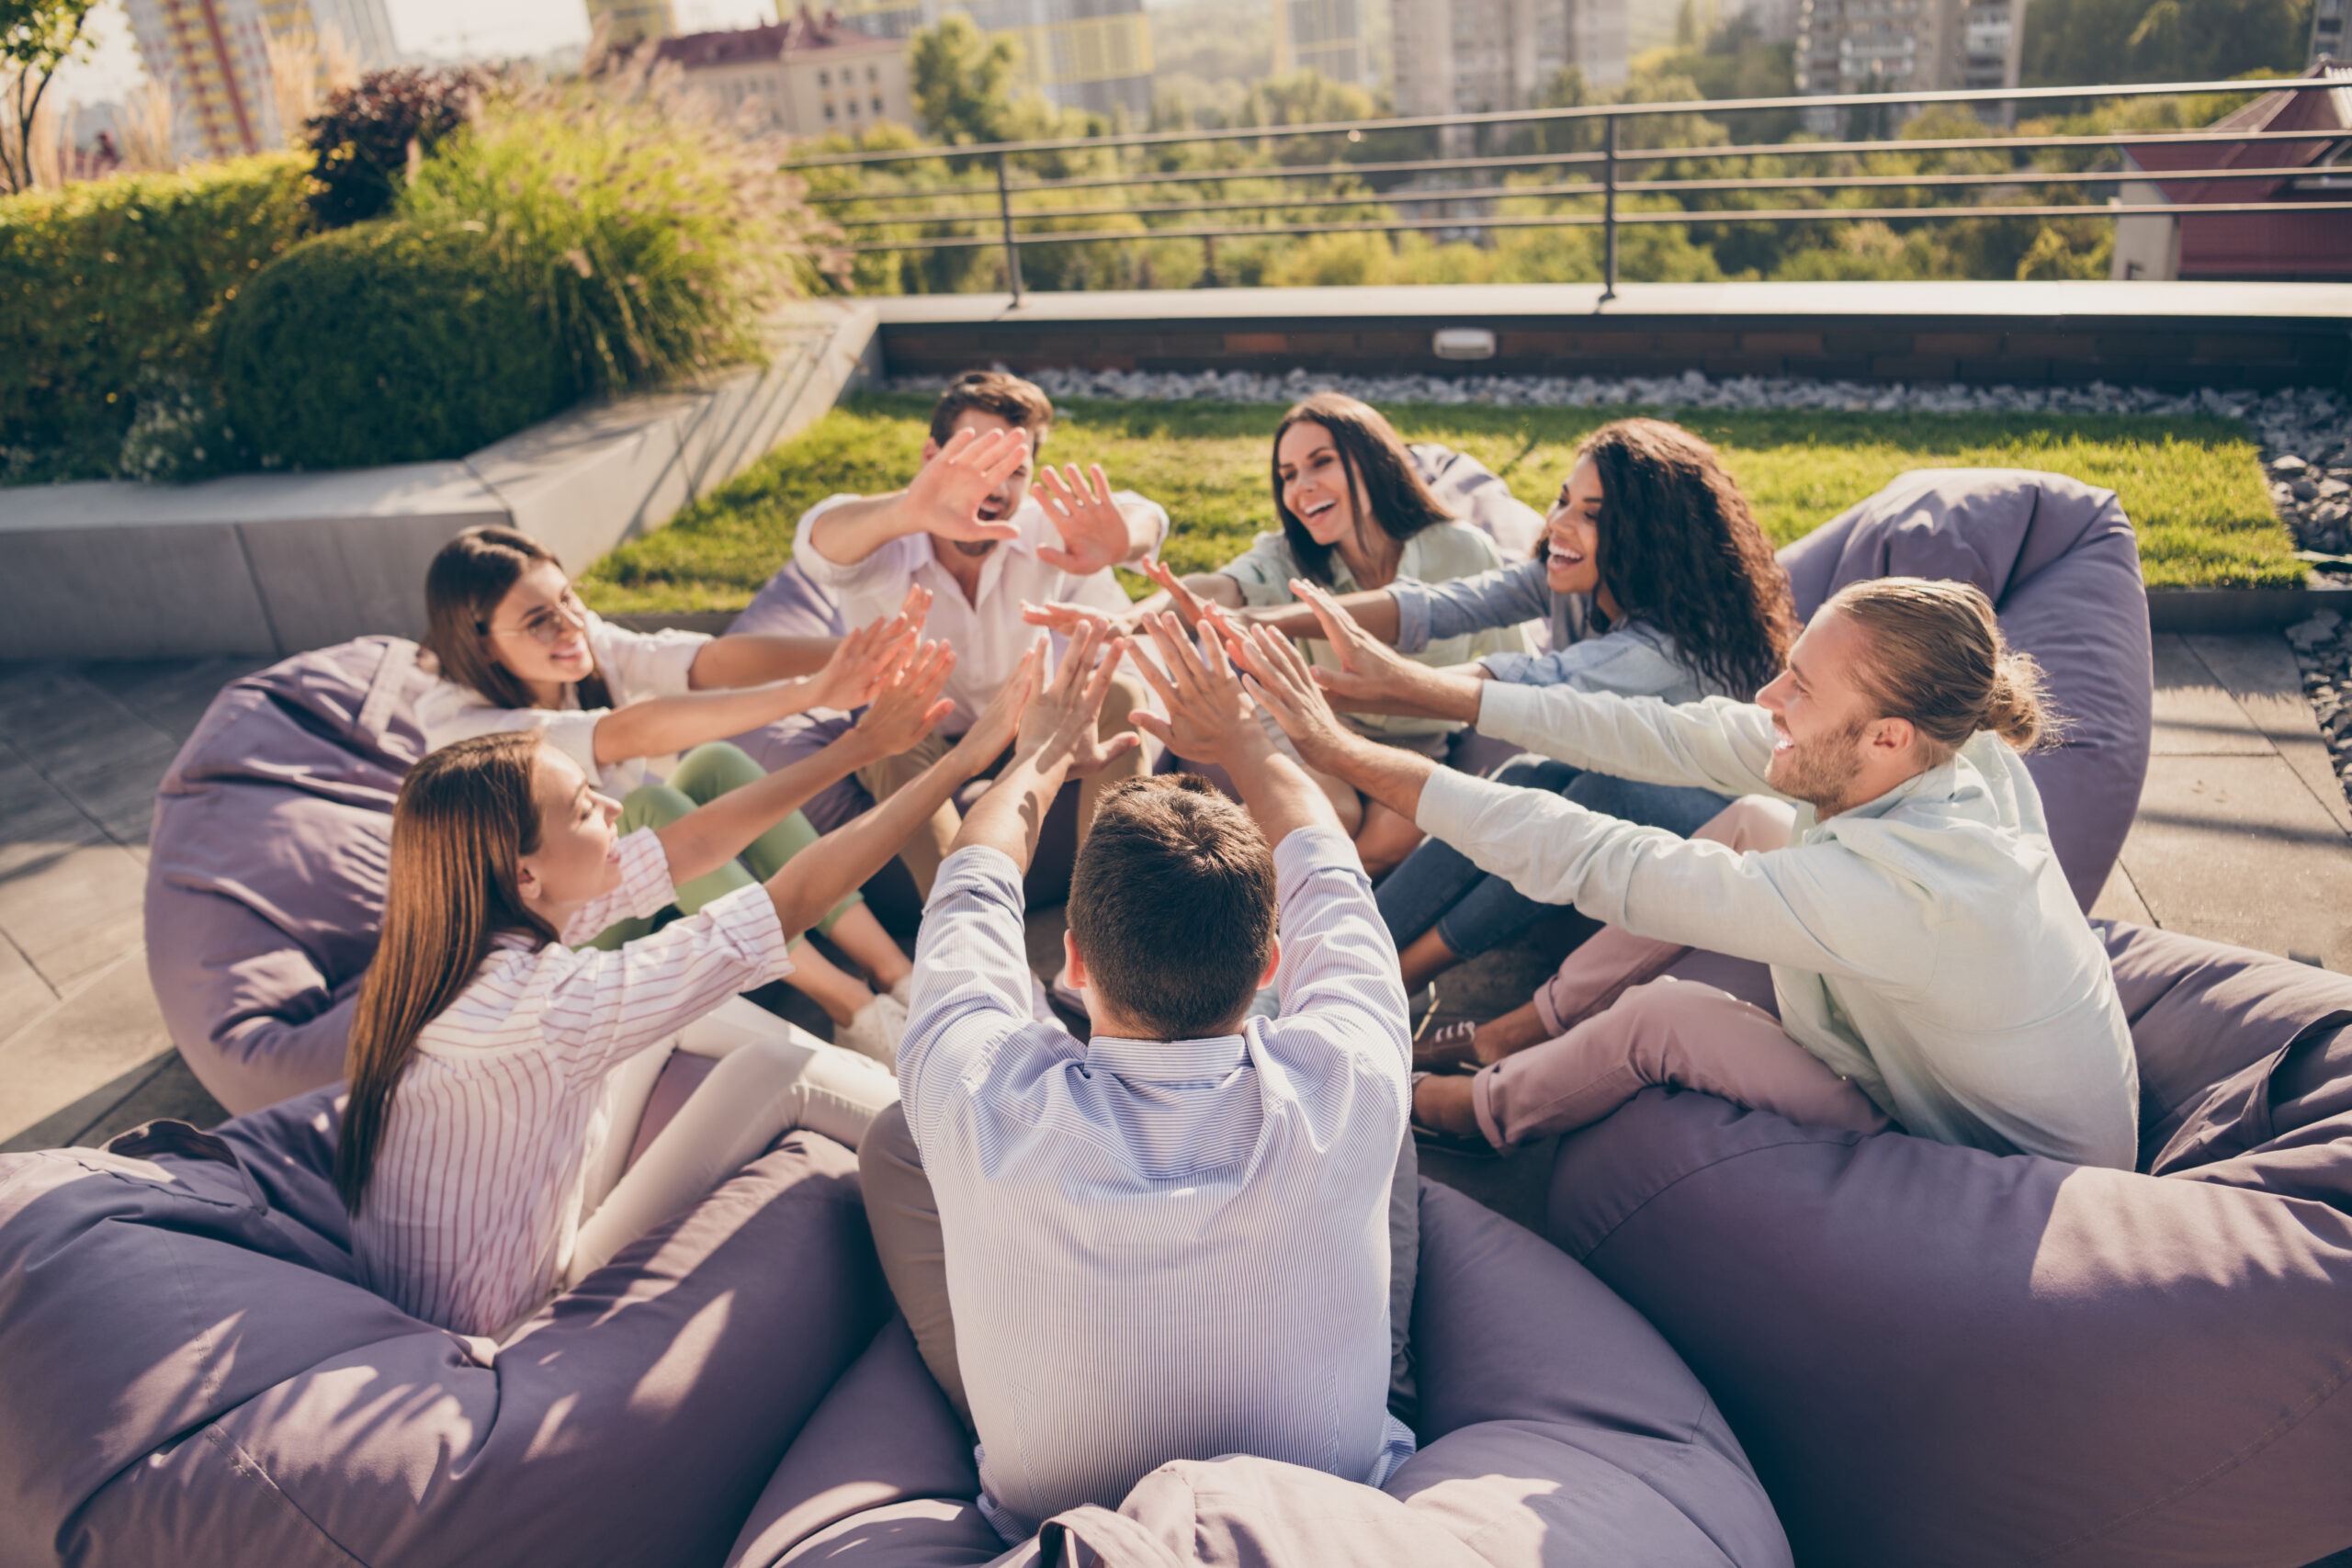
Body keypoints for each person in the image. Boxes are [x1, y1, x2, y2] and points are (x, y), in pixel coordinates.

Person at [1222, 575, 2140, 1169]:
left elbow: (1602, 862)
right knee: (1744, 819)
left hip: (1990, 1171)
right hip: (1945, 1045)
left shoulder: (1908, 894)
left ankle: (1460, 1107)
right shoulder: (1958, 751)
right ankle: (1514, 1028)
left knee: (1666, 1017)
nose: (1766, 699)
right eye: (1787, 670)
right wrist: (1420, 688)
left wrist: (1336, 749)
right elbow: (1672, 734)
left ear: (1886, 736)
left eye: (1798, 689)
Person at [858, 618, 1416, 1541]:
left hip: (1050, 1519)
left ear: (1072, 962)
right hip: (1336, 1504)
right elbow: (1327, 866)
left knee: (896, 1139)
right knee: (1385, 1124)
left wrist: (1038, 754)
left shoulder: (976, 1093)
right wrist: (1245, 733)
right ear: (1270, 963)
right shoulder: (1347, 1072)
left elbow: (972, 879)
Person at [334, 636, 1035, 1339]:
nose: (612, 806)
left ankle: (901, 1050)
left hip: (488, 1256)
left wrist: (859, 748)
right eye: (583, 807)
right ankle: (999, 1143)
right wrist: (963, 762)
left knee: (686, 1006)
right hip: (518, 1318)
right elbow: (785, 903)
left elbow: (689, 847)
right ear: (524, 875)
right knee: (776, 1069)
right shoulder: (545, 1005)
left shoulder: (457, 937)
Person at [1174, 418, 1798, 1010]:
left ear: (1648, 537)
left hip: (1726, 830)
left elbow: (1528, 687)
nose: (1560, 524)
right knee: (1529, 778)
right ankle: (1312, 974)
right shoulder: (1573, 578)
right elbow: (1438, 607)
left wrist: (1375, 687)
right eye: (1562, 501)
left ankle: (1384, 976)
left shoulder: (1665, 650)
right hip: (1612, 795)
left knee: (1586, 798)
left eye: (1591, 515)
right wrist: (1254, 622)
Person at [415, 525, 922, 1062]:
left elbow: (705, 663)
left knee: (715, 763)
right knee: (643, 812)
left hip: (629, 894)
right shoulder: (461, 729)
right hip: (562, 946)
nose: (569, 626)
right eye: (539, 622)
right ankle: (853, 1010)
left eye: (569, 600)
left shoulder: (578, 641)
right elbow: (630, 733)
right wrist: (811, 694)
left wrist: (856, 653)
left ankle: (896, 973)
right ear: (482, 643)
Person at [1038, 393, 1529, 877]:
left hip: (1417, 745)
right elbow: (1220, 587)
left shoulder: (1463, 550)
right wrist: (1130, 618)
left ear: (1374, 461)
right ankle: (1269, 927)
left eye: (1321, 463)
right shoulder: (1285, 555)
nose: (1303, 487)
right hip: (1308, 726)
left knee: (1390, 838)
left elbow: (1514, 672)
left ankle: (1323, 922)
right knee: (1331, 817)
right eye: (1289, 475)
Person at [790, 370, 1167, 909]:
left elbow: (1147, 514)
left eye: (1015, 471)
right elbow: (817, 538)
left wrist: (1123, 539)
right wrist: (909, 511)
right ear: (929, 458)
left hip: (1027, 722)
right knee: (883, 723)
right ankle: (968, 930)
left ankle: (1106, 932)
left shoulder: (1037, 528)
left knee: (1124, 699)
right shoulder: (883, 537)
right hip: (921, 733)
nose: (995, 489)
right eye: (978, 466)